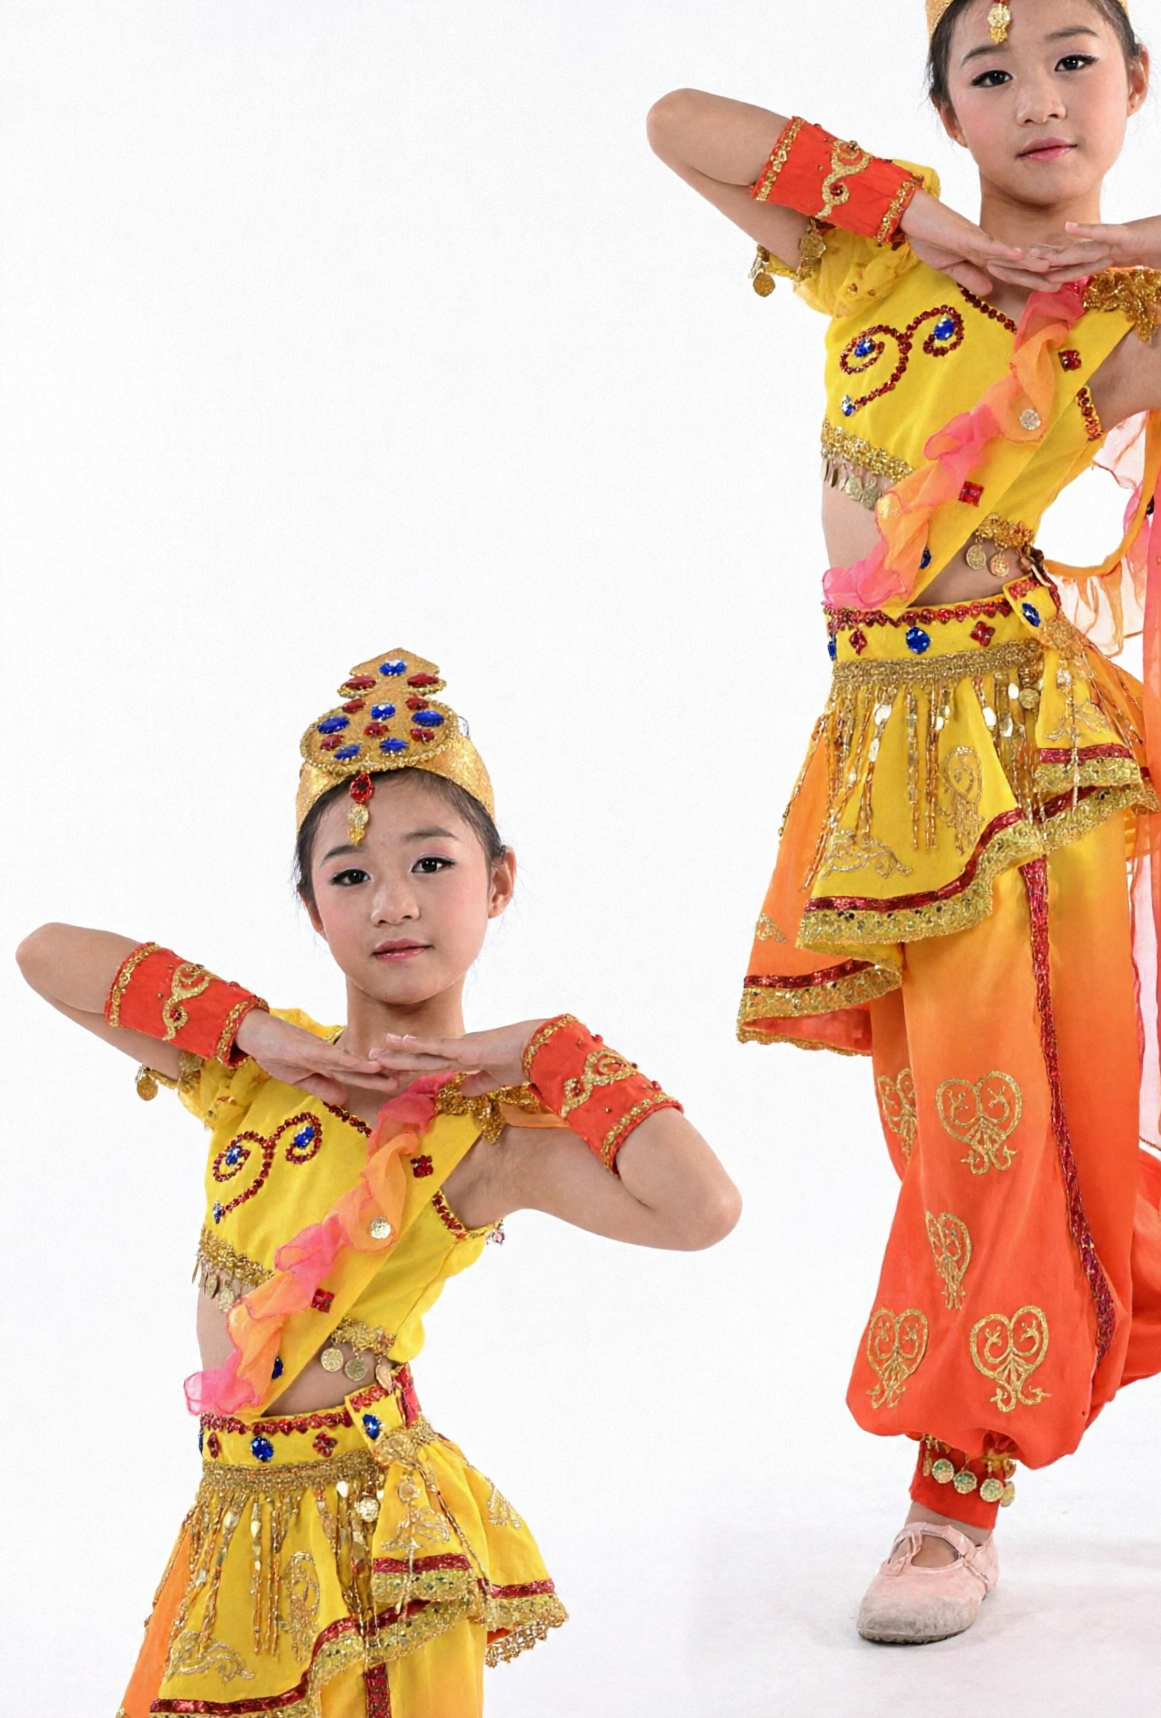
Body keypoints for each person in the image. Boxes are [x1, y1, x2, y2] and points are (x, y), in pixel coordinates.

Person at [646, 0, 1161, 1643]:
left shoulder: (1129, 335)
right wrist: (914, 220)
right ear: (944, 110)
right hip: (871, 745)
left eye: (1076, 58)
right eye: (990, 70)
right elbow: (679, 124)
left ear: (1135, 83)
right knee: (967, 1131)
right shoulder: (861, 258)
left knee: (998, 1130)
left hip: (1023, 754)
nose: (1039, 97)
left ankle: (954, 1493)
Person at [18, 647, 741, 1716]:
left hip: (378, 1545)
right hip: (231, 1514)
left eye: (432, 863)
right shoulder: (250, 1078)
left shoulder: (489, 1143)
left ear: (499, 882)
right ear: (313, 909)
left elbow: (701, 1209)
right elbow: (43, 954)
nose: (393, 902)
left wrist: (547, 1048)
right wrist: (248, 1029)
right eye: (349, 875)